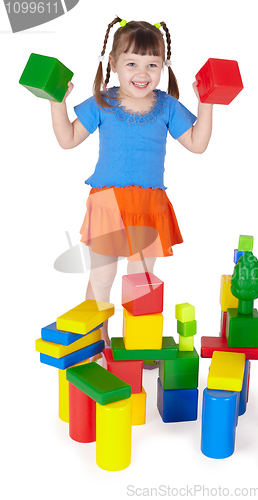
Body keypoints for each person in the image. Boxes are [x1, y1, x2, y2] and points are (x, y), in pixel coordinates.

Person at [50, 18, 213, 347]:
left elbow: (197, 143)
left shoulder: (166, 105)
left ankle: (141, 340)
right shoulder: (103, 101)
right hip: (108, 203)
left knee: (142, 280)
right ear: (114, 64)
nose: (142, 73)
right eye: (132, 63)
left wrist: (206, 103)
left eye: (152, 64)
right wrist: (58, 103)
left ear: (163, 66)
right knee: (102, 276)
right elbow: (67, 139)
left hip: (149, 206)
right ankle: (97, 338)